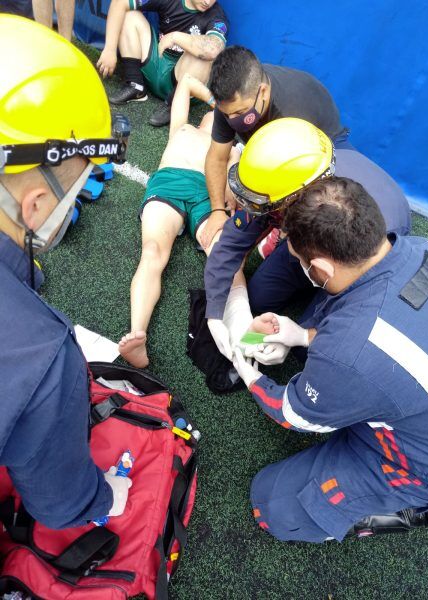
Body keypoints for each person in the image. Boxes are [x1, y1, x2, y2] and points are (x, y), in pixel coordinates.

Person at [231, 176, 428, 542]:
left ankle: (412, 506)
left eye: (299, 261)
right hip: (420, 400)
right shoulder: (426, 249)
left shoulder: (349, 354)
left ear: (322, 268)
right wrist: (301, 335)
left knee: (272, 506)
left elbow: (294, 414)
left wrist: (251, 376)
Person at [0, 16, 132, 529]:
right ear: (34, 204)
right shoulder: (41, 360)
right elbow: (59, 507)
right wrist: (103, 496)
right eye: (75, 191)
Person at [204, 118, 411, 361]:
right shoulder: (284, 182)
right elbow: (230, 243)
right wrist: (215, 313)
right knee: (260, 297)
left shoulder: (348, 227)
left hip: (367, 240)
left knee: (309, 345)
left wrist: (304, 334)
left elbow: (345, 292)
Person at [118, 73, 241, 368]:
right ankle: (137, 334)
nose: (216, 116)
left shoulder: (233, 150)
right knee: (151, 252)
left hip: (207, 196)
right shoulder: (182, 128)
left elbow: (233, 194)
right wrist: (216, 101)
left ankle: (241, 326)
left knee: (226, 258)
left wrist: (225, 205)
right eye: (216, 113)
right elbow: (185, 81)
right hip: (168, 184)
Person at [200, 45, 349, 249]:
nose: (232, 120)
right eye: (228, 114)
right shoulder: (229, 104)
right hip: (271, 140)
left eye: (240, 112)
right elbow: (217, 157)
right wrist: (217, 210)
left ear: (263, 91)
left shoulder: (291, 112)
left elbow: (296, 184)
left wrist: (284, 225)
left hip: (326, 148)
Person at [97, 0, 229, 127]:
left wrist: (174, 37)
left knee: (205, 54)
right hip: (158, 59)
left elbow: (213, 49)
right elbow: (120, 2)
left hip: (184, 82)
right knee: (130, 14)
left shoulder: (217, 15)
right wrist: (109, 49)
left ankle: (173, 105)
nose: (207, 2)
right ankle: (135, 85)